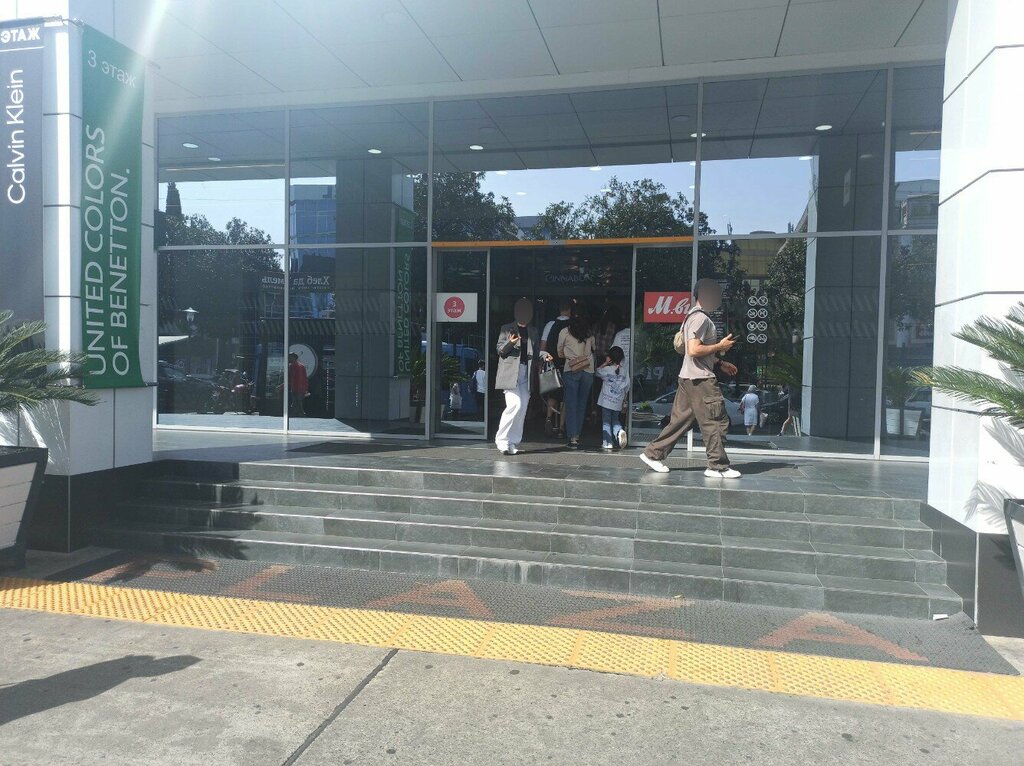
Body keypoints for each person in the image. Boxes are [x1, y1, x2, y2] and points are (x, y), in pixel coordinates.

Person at [639, 278, 741, 479]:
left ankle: (652, 454)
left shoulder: (692, 316)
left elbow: (693, 350)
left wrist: (719, 362)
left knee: (679, 422)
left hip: (688, 377)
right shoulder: (700, 318)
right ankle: (717, 466)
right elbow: (694, 350)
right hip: (701, 380)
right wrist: (720, 347)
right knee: (715, 421)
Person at [495, 298, 552, 455]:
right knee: (515, 405)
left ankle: (513, 442)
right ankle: (501, 440)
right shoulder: (507, 328)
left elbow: (535, 353)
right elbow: (500, 350)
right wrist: (511, 342)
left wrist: (544, 355)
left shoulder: (533, 331)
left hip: (526, 373)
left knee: (522, 409)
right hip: (510, 374)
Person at [557, 313, 595, 450]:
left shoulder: (565, 332)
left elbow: (559, 352)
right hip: (588, 370)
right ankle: (577, 435)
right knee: (582, 404)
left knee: (571, 404)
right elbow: (593, 349)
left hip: (571, 368)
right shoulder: (589, 334)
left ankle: (573, 438)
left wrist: (569, 355)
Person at [540, 299, 572, 438]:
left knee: (552, 393)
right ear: (569, 310)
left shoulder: (550, 325)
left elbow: (543, 346)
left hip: (551, 364)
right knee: (565, 397)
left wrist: (542, 362)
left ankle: (548, 418)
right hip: (568, 365)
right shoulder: (573, 325)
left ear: (559, 310)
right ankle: (561, 427)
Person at [596, 346, 630, 451]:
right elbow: (627, 386)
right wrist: (625, 400)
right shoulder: (624, 371)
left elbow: (597, 372)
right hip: (617, 402)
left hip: (606, 401)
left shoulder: (607, 369)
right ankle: (619, 432)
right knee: (615, 420)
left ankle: (608, 443)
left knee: (606, 422)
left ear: (610, 357)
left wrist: (605, 363)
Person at [287, 352, 308, 416]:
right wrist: (305, 389)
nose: (288, 358)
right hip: (299, 388)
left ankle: (300, 413)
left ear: (293, 358)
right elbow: (305, 379)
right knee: (297, 402)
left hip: (296, 388)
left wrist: (282, 386)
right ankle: (299, 414)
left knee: (297, 402)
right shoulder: (301, 366)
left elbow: (291, 379)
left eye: (290, 357)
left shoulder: (293, 366)